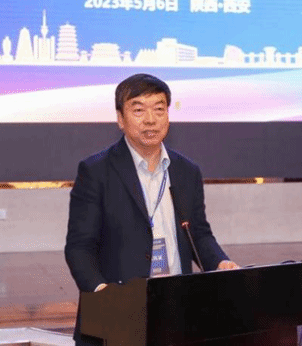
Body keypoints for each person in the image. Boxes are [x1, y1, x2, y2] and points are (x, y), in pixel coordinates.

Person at [65, 73, 238, 346]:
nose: (150, 119)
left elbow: (198, 234)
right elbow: (79, 247)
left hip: (177, 312)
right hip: (116, 318)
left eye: (159, 109)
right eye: (138, 110)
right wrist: (103, 294)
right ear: (120, 119)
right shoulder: (96, 171)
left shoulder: (186, 171)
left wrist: (220, 262)